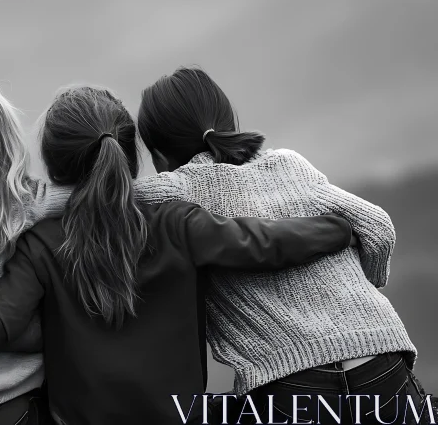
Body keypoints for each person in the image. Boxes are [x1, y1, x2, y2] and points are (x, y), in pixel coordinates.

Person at [0, 86, 356, 425]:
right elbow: (265, 243)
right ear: (130, 156)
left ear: (55, 164)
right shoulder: (176, 224)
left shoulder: (40, 245)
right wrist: (338, 227)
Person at [135, 67, 430, 424]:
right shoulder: (288, 164)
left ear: (159, 156)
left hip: (293, 379)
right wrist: (357, 291)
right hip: (381, 356)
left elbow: (105, 202)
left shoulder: (173, 191)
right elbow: (377, 227)